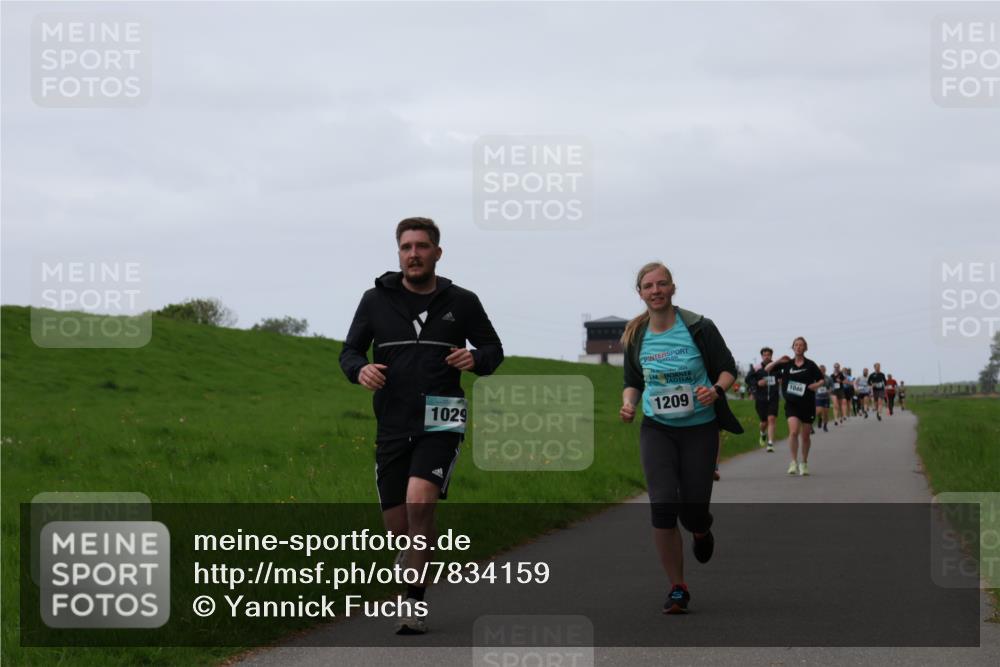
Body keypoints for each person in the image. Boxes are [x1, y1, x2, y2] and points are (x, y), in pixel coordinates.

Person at [339, 217, 504, 634]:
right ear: (399, 253)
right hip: (392, 422)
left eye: (422, 246)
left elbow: (493, 349)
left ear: (437, 253)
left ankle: (412, 602)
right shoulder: (374, 300)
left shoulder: (462, 301)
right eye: (407, 247)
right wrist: (360, 371)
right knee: (400, 527)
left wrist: (475, 360)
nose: (414, 254)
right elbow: (349, 352)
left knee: (420, 502)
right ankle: (414, 554)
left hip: (442, 418)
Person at [619, 261, 743, 615]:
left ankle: (701, 530)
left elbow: (727, 368)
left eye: (662, 284)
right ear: (640, 293)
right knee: (662, 506)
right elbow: (632, 381)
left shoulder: (700, 328)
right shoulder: (635, 335)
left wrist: (716, 391)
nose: (655, 291)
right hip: (657, 429)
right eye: (648, 286)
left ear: (673, 288)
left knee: (693, 510)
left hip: (699, 429)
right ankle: (677, 587)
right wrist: (628, 404)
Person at [766, 337, 825, 477]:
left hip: (808, 403)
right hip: (792, 403)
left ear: (805, 348)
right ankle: (793, 461)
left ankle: (803, 462)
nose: (798, 347)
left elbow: (821, 379)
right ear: (792, 347)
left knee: (805, 436)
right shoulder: (787, 364)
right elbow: (767, 368)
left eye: (801, 345)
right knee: (793, 432)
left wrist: (816, 385)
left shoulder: (810, 365)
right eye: (796, 345)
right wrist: (779, 360)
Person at [745, 347, 780, 452]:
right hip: (761, 399)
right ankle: (762, 433)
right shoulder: (757, 368)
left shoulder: (776, 367)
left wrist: (781, 380)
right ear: (762, 356)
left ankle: (770, 443)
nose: (766, 357)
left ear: (771, 356)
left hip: (773, 398)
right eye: (764, 355)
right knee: (764, 422)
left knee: (772, 419)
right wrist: (757, 383)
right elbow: (748, 379)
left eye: (768, 355)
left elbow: (783, 377)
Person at [815, 364, 832, 432]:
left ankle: (825, 426)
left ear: (825, 370)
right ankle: (819, 419)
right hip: (818, 397)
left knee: (826, 413)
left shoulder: (828, 378)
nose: (822, 371)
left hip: (826, 398)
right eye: (820, 370)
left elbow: (832, 386)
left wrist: (829, 390)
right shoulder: (815, 378)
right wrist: (815, 388)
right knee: (818, 411)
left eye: (823, 370)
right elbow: (812, 385)